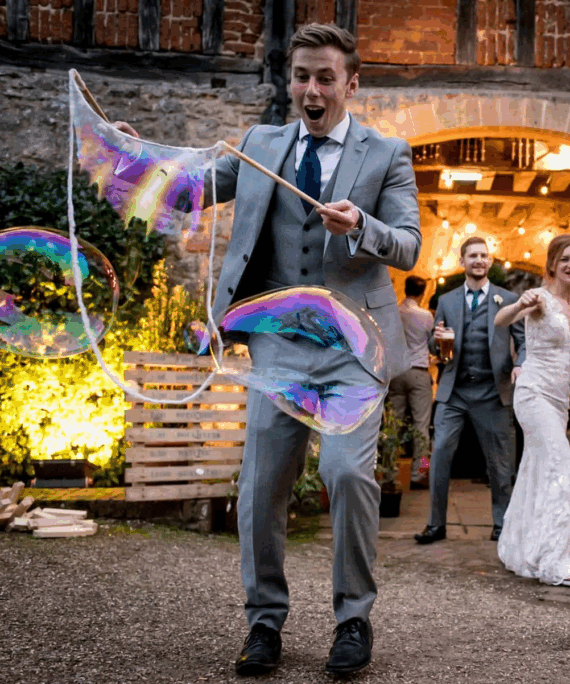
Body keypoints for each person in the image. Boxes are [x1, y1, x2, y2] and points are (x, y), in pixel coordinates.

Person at [119, 23, 420, 677]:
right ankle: (263, 623)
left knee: (346, 473)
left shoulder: (387, 153)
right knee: (259, 487)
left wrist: (362, 225)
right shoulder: (260, 144)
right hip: (278, 341)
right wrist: (140, 162)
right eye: (302, 76)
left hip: (354, 346)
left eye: (326, 78)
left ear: (351, 84)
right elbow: (192, 188)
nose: (312, 90)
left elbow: (408, 244)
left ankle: (353, 619)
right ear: (291, 81)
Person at [494, 234, 570, 587]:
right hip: (533, 391)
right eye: (565, 259)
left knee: (538, 469)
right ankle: (561, 559)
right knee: (563, 466)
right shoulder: (540, 297)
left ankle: (522, 547)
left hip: (559, 399)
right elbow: (501, 320)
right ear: (552, 265)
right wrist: (519, 303)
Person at [414, 237, 526, 544]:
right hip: (454, 391)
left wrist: (520, 365)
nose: (479, 260)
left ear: (489, 262)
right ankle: (436, 524)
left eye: (483, 255)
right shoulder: (447, 301)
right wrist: (437, 340)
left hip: (493, 391)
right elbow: (435, 346)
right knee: (439, 457)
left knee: (500, 462)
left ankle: (501, 525)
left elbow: (524, 339)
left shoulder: (507, 297)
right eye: (472, 255)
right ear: (462, 262)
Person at [388, 275, 435, 486]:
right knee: (422, 427)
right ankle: (420, 473)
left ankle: (389, 473)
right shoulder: (425, 316)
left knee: (393, 426)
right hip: (419, 372)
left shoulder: (393, 313)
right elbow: (433, 344)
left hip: (397, 373)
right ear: (423, 292)